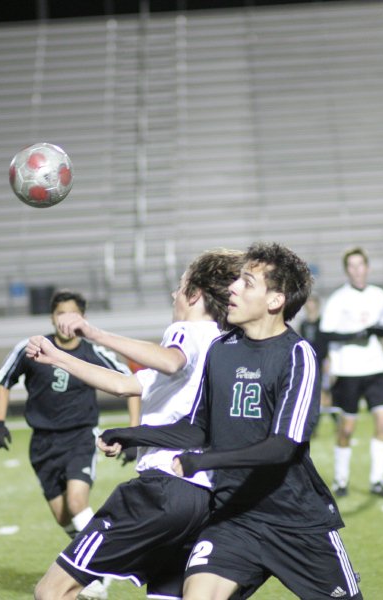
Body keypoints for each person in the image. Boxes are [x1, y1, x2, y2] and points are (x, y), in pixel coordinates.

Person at [102, 242, 363, 600]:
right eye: (236, 280)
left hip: (296, 521)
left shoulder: (297, 355)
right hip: (234, 517)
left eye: (247, 283)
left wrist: (204, 460)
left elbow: (282, 447)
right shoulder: (221, 350)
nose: (232, 289)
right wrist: (132, 435)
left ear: (275, 301)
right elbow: (199, 428)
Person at [30, 249, 245, 600]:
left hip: (161, 490)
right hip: (200, 499)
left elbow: (170, 361)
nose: (174, 295)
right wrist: (58, 357)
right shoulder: (222, 344)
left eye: (180, 287)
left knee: (52, 592)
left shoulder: (188, 332)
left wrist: (93, 332)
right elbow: (123, 384)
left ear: (195, 295)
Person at [0, 289, 134, 544]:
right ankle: (85, 555)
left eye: (73, 314)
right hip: (43, 442)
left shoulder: (94, 353)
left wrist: (134, 431)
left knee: (77, 501)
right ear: (51, 318)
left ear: (83, 318)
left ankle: (101, 562)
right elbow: (4, 381)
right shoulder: (32, 348)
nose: (66, 320)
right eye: (61, 314)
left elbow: (133, 385)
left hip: (80, 437)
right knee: (62, 516)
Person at [320, 247, 383, 498]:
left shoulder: (379, 295)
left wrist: (372, 331)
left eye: (360, 264)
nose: (357, 270)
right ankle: (341, 480)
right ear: (346, 270)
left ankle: (378, 480)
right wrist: (355, 334)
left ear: (367, 267)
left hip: (375, 367)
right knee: (347, 428)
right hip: (348, 370)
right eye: (351, 266)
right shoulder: (338, 299)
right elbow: (325, 332)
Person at [298, 294, 334, 423]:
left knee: (324, 394)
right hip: (309, 363)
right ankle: (315, 425)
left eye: (312, 303)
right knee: (314, 395)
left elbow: (328, 344)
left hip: (322, 362)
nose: (310, 306)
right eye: (308, 303)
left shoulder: (324, 323)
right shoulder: (303, 324)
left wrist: (328, 361)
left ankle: (334, 422)